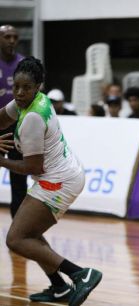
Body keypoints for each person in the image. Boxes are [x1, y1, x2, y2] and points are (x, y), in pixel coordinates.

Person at [0, 57, 102, 305]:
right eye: (16, 87)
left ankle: (80, 274)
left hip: (58, 181)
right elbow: (1, 118)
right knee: (29, 234)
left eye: (26, 88)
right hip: (63, 174)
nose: (20, 93)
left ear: (38, 87)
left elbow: (32, 166)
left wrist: (1, 161)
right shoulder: (28, 101)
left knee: (16, 239)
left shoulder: (33, 117)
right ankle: (59, 288)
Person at [0, 24, 28, 218]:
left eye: (14, 37)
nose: (11, 40)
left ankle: (19, 224)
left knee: (19, 178)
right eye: (6, 36)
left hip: (18, 127)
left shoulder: (24, 64)